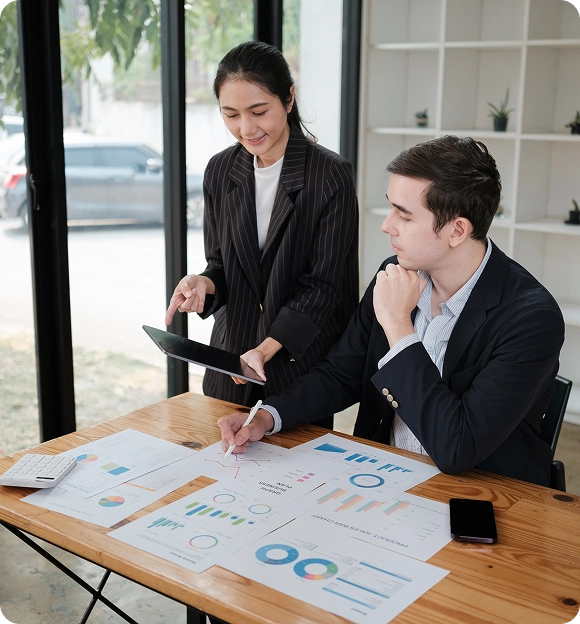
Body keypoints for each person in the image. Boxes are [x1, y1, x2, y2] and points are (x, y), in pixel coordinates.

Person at [217, 135, 565, 487]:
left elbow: (457, 448)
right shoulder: (396, 274)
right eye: (391, 208)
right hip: (385, 477)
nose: (387, 225)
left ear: (457, 230)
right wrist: (265, 417)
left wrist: (398, 325)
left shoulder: (532, 319)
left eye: (405, 215)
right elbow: (341, 375)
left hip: (486, 495)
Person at [165, 41, 359, 420]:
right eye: (231, 114)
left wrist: (267, 348)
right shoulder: (220, 171)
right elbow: (221, 263)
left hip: (296, 370)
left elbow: (324, 287)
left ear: (288, 99)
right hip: (230, 365)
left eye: (258, 111)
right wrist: (204, 284)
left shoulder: (330, 175)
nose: (246, 128)